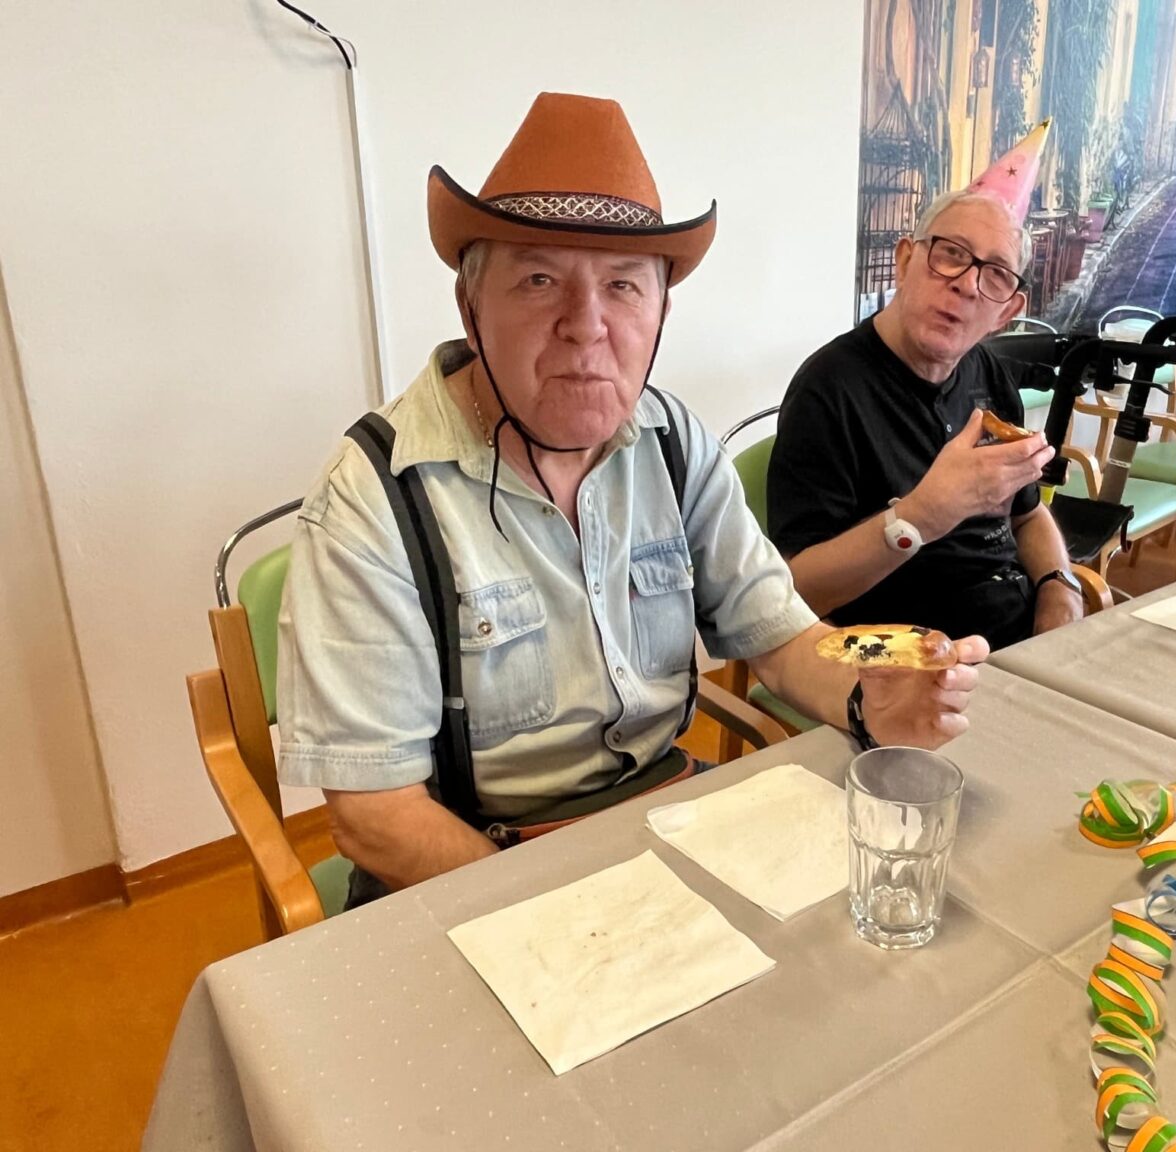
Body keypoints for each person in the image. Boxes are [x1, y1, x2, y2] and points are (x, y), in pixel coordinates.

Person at [276, 93, 987, 907]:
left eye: (622, 286)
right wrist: (561, 922)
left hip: (665, 811)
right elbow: (377, 818)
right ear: (471, 311)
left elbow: (781, 635)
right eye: (539, 280)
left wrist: (867, 698)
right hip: (476, 861)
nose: (586, 326)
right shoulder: (374, 494)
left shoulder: (673, 441)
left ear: (660, 313)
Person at [768, 122, 1081, 650]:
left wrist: (1060, 585)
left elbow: (1028, 514)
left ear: (1007, 312)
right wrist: (922, 515)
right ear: (905, 260)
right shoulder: (829, 390)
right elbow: (799, 590)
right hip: (908, 659)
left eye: (995, 273)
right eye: (951, 253)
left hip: (1020, 640)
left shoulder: (990, 377)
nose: (966, 284)